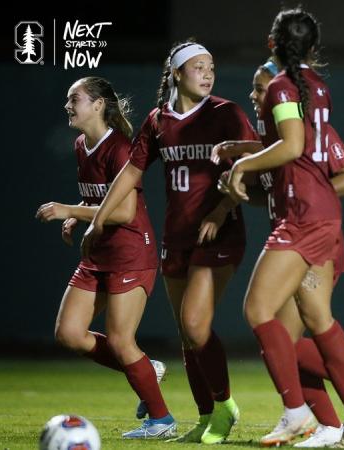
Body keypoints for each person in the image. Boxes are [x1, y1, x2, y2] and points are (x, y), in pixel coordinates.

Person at [81, 41, 258, 444]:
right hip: (177, 238)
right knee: (187, 333)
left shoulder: (226, 113)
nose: (208, 73)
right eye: (198, 66)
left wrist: (220, 209)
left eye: (211, 66)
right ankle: (206, 415)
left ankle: (226, 406)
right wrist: (98, 221)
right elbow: (130, 173)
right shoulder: (159, 120)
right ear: (177, 72)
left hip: (220, 233)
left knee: (196, 325)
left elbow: (249, 166)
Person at [224, 8, 344, 448]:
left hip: (303, 215)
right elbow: (301, 144)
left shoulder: (282, 86)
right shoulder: (317, 85)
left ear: (273, 44)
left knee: (259, 311)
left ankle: (297, 412)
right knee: (315, 315)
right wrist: (250, 153)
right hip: (318, 211)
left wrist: (242, 162)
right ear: (313, 47)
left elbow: (292, 145)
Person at [36, 76, 176, 438]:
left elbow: (124, 211)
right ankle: (146, 367)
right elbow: (98, 200)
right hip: (98, 252)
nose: (68, 105)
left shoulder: (120, 148)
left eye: (75, 99)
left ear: (98, 104)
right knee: (69, 333)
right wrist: (77, 213)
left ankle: (161, 421)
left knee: (120, 340)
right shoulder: (83, 144)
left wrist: (69, 208)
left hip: (130, 252)